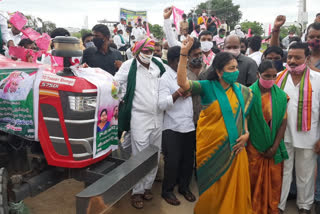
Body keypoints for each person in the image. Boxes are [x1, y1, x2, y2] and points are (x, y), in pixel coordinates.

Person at [177, 36, 254, 214]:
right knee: (213, 190)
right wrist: (183, 54)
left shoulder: (242, 90)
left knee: (235, 191)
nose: (235, 72)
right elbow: (182, 83)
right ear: (219, 71)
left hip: (236, 149)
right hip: (211, 150)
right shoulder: (206, 87)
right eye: (231, 69)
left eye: (236, 68)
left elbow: (243, 116)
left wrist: (247, 133)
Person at [114, 38, 167, 209]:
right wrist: (121, 99)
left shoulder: (157, 64)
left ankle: (147, 187)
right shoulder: (128, 66)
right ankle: (136, 191)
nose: (149, 54)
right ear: (136, 51)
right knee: (139, 154)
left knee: (154, 153)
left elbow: (169, 78)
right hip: (139, 117)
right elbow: (115, 84)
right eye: (145, 51)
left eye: (151, 51)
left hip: (158, 116)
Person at [277, 42, 320, 214]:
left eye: (297, 57)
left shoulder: (317, 80)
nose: (292, 60)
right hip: (282, 135)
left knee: (306, 173)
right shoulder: (278, 78)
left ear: (307, 58)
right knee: (283, 173)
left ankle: (305, 205)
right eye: (289, 57)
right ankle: (279, 205)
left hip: (309, 136)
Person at [247, 60, 289, 214]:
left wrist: (275, 146)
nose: (271, 79)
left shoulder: (281, 96)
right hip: (253, 147)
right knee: (252, 179)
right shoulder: (248, 94)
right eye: (266, 76)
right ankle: (253, 208)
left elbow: (283, 122)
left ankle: (271, 208)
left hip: (273, 146)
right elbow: (243, 121)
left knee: (274, 180)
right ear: (258, 75)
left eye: (273, 76)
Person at [158, 45, 196, 206]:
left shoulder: (187, 75)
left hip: (188, 124)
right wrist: (177, 93)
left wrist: (190, 91)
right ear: (174, 61)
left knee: (188, 159)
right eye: (183, 60)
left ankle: (184, 187)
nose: (185, 63)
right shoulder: (165, 79)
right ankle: (167, 190)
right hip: (172, 126)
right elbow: (161, 104)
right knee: (172, 160)